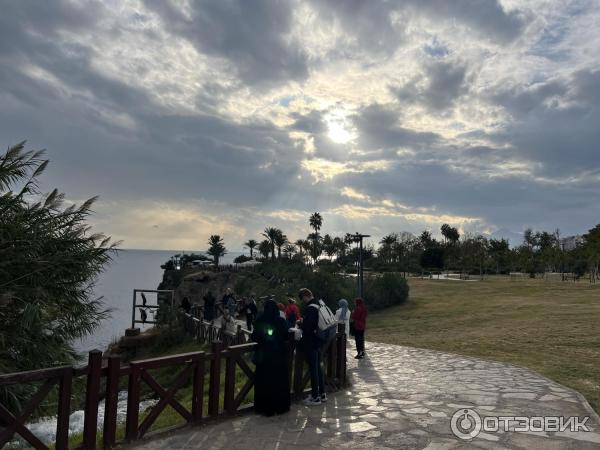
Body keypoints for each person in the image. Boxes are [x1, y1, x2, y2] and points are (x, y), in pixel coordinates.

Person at [251, 299, 291, 416]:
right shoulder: (280, 321)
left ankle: (265, 408)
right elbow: (286, 335)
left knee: (265, 383)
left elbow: (254, 337)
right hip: (279, 357)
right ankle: (281, 407)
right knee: (279, 382)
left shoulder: (260, 320)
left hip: (264, 357)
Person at [299, 288, 326, 405]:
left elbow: (308, 327)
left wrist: (301, 323)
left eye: (302, 298)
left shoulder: (311, 308)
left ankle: (315, 397)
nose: (302, 301)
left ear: (305, 296)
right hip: (319, 340)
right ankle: (322, 393)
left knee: (313, 369)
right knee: (318, 367)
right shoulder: (319, 303)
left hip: (311, 342)